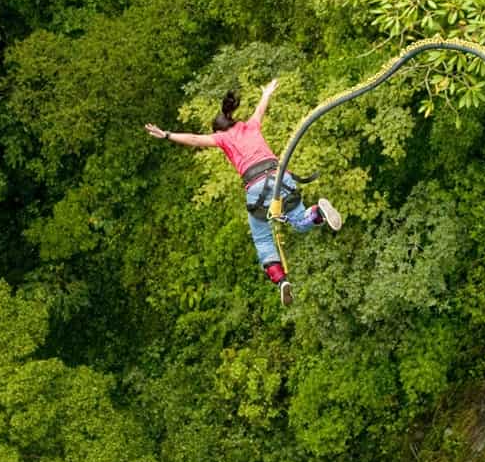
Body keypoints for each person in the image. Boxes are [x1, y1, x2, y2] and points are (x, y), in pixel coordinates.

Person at [144, 79, 342, 305]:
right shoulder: (250, 126)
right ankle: (318, 212)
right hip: (281, 177)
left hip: (257, 187)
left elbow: (194, 139)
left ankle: (281, 280)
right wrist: (267, 93)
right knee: (299, 220)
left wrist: (167, 134)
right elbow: (260, 109)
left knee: (262, 238)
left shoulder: (222, 138)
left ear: (219, 130)